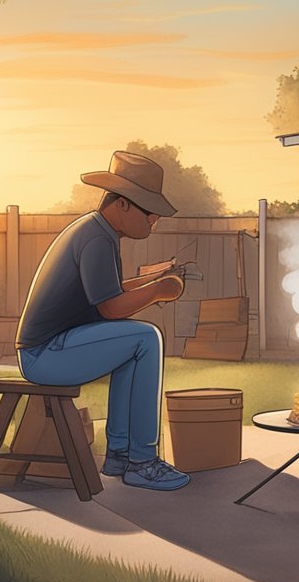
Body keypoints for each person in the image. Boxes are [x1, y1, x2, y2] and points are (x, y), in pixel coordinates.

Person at [15, 151, 191, 491]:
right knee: (146, 339)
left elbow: (106, 294)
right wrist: (157, 291)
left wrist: (154, 281)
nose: (154, 219)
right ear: (122, 204)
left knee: (133, 346)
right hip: (45, 354)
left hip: (57, 345)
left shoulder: (99, 232)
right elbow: (110, 309)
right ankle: (141, 459)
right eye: (148, 211)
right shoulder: (96, 238)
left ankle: (121, 455)